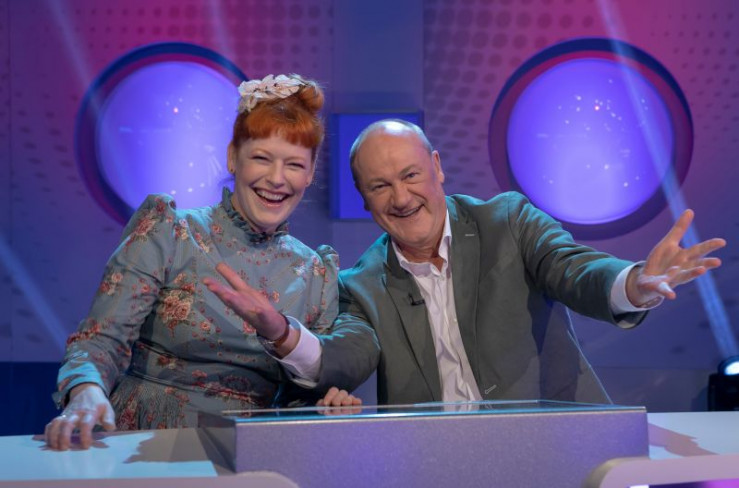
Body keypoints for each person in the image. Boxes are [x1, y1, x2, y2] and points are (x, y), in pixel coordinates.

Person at [45, 74, 379, 450]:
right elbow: (100, 340)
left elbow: (297, 398)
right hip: (145, 439)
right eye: (261, 158)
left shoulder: (317, 273)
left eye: (294, 165)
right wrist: (86, 390)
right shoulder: (171, 231)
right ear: (233, 157)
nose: (276, 179)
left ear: (311, 173)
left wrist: (324, 407)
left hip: (248, 450)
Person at [336, 119, 726, 405]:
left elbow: (570, 267)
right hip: (435, 465)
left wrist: (633, 283)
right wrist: (318, 378)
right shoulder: (360, 285)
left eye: (410, 175)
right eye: (380, 186)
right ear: (363, 197)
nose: (402, 198)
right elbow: (345, 357)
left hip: (552, 448)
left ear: (436, 166)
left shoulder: (508, 221)